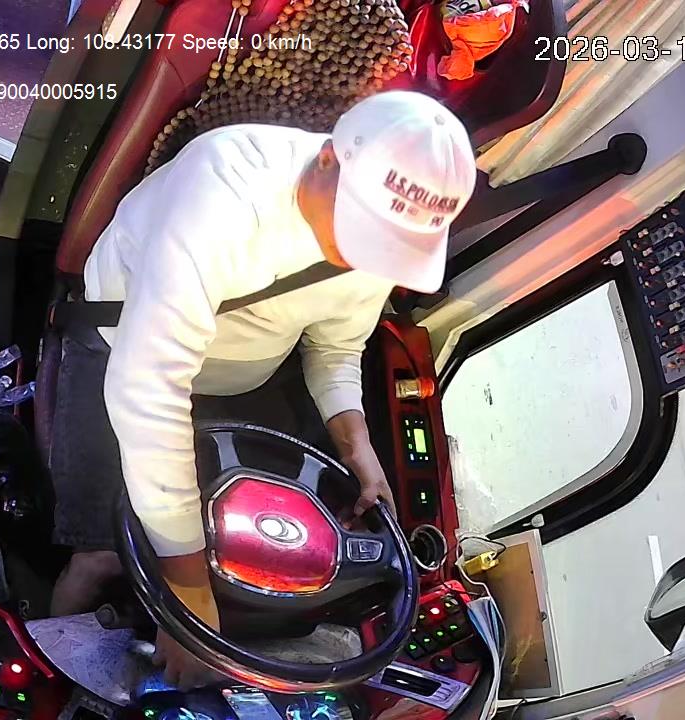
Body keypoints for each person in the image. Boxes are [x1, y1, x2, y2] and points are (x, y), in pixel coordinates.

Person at [48, 90, 477, 688]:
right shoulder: (223, 190)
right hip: (123, 353)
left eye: (386, 246)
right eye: (360, 232)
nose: (363, 258)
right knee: (100, 556)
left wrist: (356, 446)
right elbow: (150, 389)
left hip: (245, 384)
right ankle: (48, 664)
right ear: (327, 160)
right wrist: (188, 600)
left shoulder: (380, 242)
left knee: (269, 553)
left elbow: (335, 347)